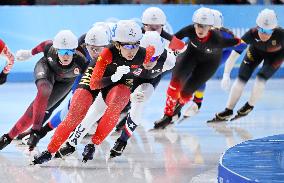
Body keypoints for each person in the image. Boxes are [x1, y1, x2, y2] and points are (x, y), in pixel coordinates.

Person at [32, 20, 155, 164]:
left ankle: (93, 144)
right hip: (97, 78)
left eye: (135, 45)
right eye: (127, 46)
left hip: (121, 82)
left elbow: (156, 51)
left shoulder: (145, 53)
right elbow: (95, 84)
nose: (132, 50)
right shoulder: (107, 53)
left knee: (115, 107)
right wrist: (114, 76)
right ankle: (49, 151)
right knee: (76, 113)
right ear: (117, 44)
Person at [15, 24, 111, 147]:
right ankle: (37, 131)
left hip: (92, 74)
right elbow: (61, 51)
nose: (94, 51)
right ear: (86, 43)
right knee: (55, 103)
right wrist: (30, 53)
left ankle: (44, 131)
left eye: (99, 48)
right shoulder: (82, 42)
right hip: (75, 74)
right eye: (91, 47)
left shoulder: (112, 49)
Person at [153, 7, 241, 129]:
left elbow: (240, 47)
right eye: (199, 26)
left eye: (212, 28)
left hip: (213, 58)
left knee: (195, 79)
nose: (203, 31)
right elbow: (182, 43)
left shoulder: (224, 36)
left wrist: (226, 72)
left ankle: (188, 104)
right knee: (179, 76)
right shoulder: (195, 32)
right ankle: (172, 111)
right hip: (195, 52)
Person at [0, 30, 88, 150]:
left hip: (66, 82)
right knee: (44, 90)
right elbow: (44, 44)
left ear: (74, 51)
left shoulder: (81, 62)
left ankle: (8, 137)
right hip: (47, 68)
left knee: (36, 108)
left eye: (69, 51)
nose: (66, 55)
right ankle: (35, 131)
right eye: (62, 51)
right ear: (56, 50)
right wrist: (29, 53)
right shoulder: (50, 49)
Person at [208, 9, 284, 122]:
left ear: (273, 30)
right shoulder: (251, 33)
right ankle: (228, 110)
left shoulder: (281, 35)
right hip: (255, 52)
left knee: (260, 79)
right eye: (262, 30)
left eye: (268, 32)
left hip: (275, 57)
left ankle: (249, 105)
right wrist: (226, 74)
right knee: (241, 79)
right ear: (257, 27)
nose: (264, 34)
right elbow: (234, 54)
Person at [109, 31, 176, 158]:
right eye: (145, 57)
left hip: (150, 81)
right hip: (130, 79)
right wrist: (129, 94)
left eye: (153, 58)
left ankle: (122, 141)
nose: (148, 62)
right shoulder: (130, 56)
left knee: (139, 103)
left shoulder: (169, 61)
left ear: (160, 55)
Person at [182, 9, 247, 118]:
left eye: (212, 29)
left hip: (222, 53)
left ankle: (197, 102)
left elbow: (242, 46)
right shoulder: (198, 33)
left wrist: (226, 73)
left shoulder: (226, 37)